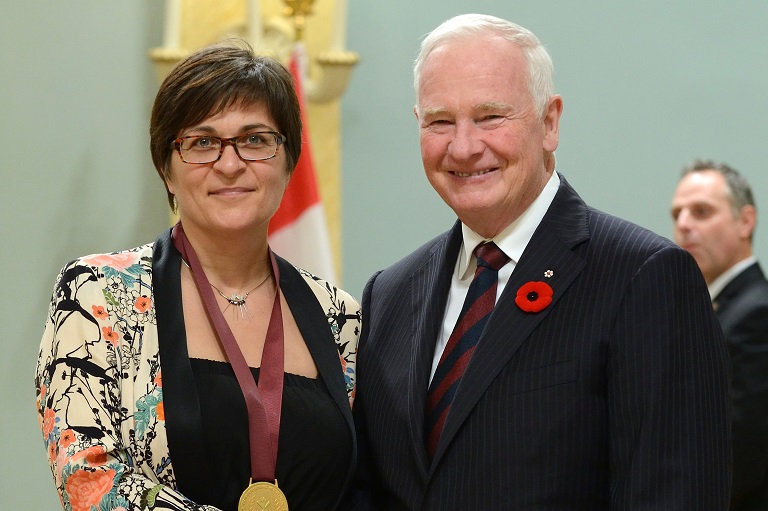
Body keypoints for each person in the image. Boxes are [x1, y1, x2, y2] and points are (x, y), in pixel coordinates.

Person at [347, 13, 731, 510]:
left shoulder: (644, 277)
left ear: (549, 123)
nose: (463, 147)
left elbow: (676, 495)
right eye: (440, 121)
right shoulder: (390, 294)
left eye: (490, 117)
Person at [35, 42, 360, 511]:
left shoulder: (340, 318)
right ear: (166, 169)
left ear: (287, 161)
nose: (230, 164)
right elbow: (90, 479)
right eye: (202, 142)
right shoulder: (95, 294)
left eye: (255, 139)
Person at [671, 160, 768, 511]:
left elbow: (743, 446)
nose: (683, 225)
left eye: (701, 212)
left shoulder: (757, 313)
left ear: (745, 221)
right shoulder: (721, 308)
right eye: (677, 214)